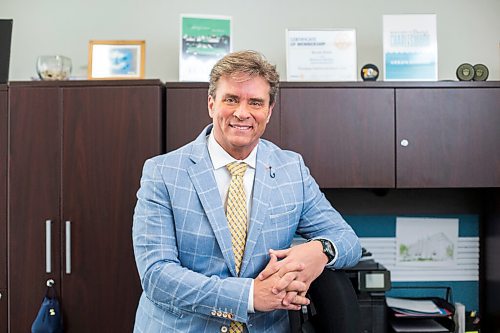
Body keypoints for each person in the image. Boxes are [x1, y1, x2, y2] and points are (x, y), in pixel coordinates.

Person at [132, 50, 361, 333]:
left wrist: (320, 250)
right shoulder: (163, 173)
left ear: (269, 110)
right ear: (211, 104)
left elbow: (348, 241)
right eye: (231, 99)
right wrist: (250, 296)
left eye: (255, 102)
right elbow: (157, 277)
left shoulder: (291, 169)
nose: (242, 113)